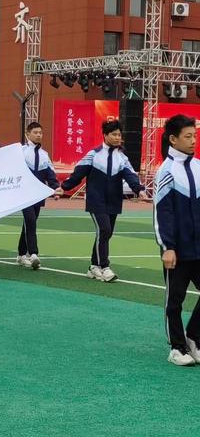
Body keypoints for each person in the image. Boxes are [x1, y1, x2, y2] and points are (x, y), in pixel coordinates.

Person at [61, 120, 146, 282]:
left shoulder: (122, 158)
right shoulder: (93, 154)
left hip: (114, 201)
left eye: (119, 135)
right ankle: (105, 267)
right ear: (105, 135)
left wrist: (139, 189)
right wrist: (64, 187)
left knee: (106, 233)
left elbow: (130, 176)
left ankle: (93, 267)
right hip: (96, 200)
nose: (117, 138)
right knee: (105, 230)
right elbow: (78, 173)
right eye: (113, 134)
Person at [154, 114, 200, 366]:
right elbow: (162, 213)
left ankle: (193, 336)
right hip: (177, 251)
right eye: (188, 136)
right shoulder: (166, 171)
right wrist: (167, 246)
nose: (193, 141)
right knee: (175, 300)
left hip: (198, 247)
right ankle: (176, 347)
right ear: (173, 139)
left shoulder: (199, 167)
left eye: (195, 136)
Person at [17, 122, 62, 270]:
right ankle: (34, 254)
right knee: (30, 221)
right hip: (24, 194)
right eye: (35, 132)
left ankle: (21, 254)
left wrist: (56, 189)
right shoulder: (21, 152)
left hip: (38, 195)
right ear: (27, 134)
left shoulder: (44, 155)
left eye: (40, 133)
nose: (38, 135)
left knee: (29, 223)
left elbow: (50, 174)